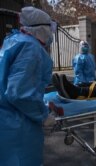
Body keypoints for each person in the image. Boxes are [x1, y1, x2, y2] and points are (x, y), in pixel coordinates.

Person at [0, 6, 56, 166]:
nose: (51, 33)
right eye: (50, 28)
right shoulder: (32, 48)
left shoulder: (13, 41)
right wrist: (43, 115)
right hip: (17, 125)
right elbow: (19, 93)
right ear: (41, 28)